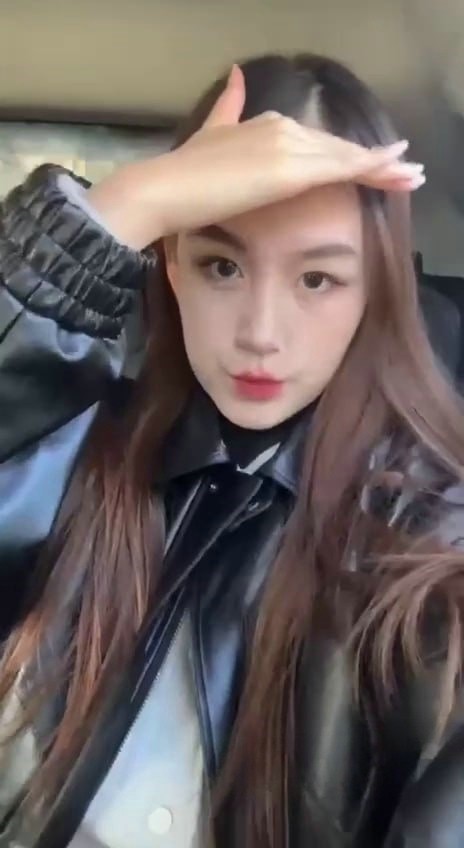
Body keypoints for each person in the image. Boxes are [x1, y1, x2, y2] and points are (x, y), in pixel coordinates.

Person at [0, 52, 463, 848]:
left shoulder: (432, 538)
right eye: (221, 265)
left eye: (317, 280)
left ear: (375, 292)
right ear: (171, 269)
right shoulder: (76, 453)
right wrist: (129, 204)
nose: (260, 334)